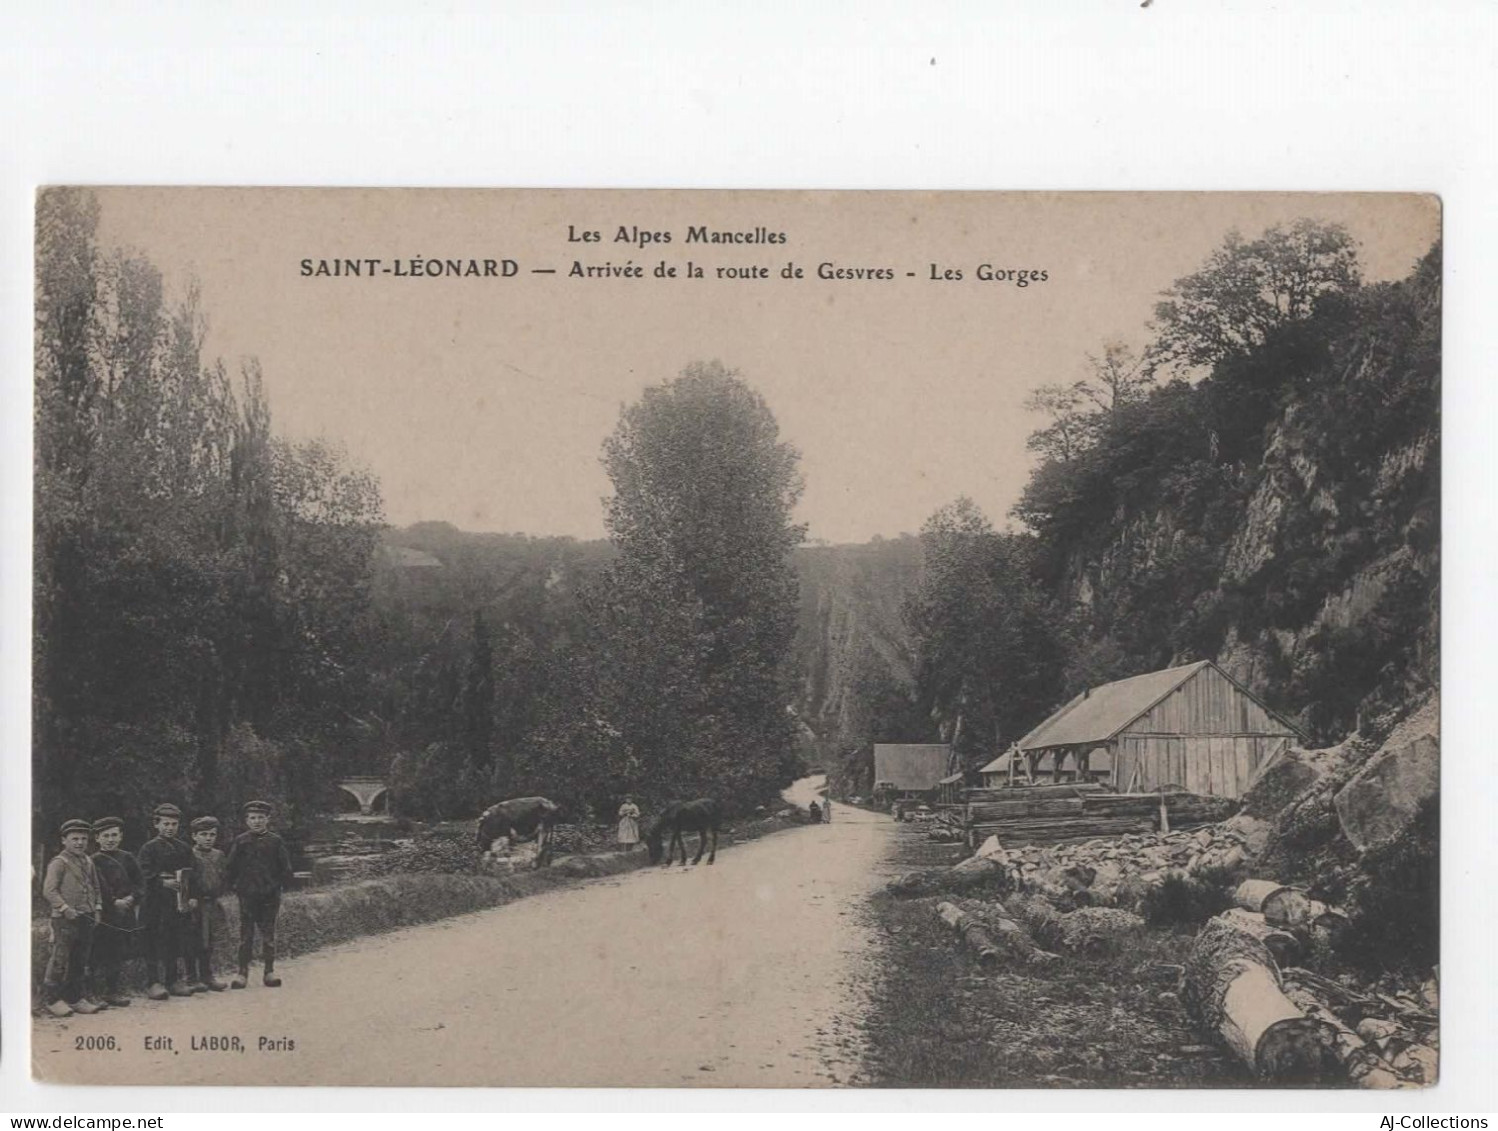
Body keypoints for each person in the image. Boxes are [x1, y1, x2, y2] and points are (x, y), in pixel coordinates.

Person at [225, 800, 295, 988]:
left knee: (268, 935)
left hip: (269, 896)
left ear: (268, 820)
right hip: (247, 895)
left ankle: (269, 971)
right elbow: (230, 868)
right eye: (253, 818)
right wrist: (237, 887)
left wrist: (276, 886)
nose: (257, 821)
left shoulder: (275, 841)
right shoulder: (241, 841)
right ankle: (242, 973)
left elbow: (285, 869)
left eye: (261, 818)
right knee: (245, 935)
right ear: (247, 820)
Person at [40, 819, 106, 1017]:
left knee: (80, 958)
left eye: (83, 839)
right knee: (60, 958)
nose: (79, 843)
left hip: (85, 916)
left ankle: (75, 997)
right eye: (74, 838)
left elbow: (95, 887)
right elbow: (49, 890)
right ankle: (51, 999)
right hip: (64, 919)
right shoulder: (59, 863)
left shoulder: (88, 861)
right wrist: (64, 907)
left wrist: (97, 908)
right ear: (64, 840)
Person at [136, 802, 195, 999]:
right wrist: (162, 883)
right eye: (166, 824)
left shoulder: (184, 848)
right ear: (156, 824)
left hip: (176, 904)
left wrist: (191, 897)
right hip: (154, 904)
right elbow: (143, 875)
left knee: (175, 941)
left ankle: (173, 980)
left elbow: (192, 875)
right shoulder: (148, 848)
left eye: (174, 824)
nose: (170, 828)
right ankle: (153, 982)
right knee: (152, 942)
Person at [90, 815, 143, 1007]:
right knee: (97, 953)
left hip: (124, 913)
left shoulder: (128, 858)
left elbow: (140, 882)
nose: (111, 839)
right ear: (97, 838)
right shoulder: (93, 861)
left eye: (114, 835)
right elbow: (97, 886)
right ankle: (94, 993)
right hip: (104, 914)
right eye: (106, 835)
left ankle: (113, 991)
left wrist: (131, 898)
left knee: (117, 952)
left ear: (121, 836)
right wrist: (113, 901)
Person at [186, 816, 230, 991]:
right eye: (203, 834)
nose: (208, 838)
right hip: (194, 904)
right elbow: (185, 880)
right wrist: (189, 897)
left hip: (212, 904)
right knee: (192, 940)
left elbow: (223, 877)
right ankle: (191, 977)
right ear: (194, 836)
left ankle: (207, 975)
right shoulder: (189, 855)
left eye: (212, 834)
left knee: (209, 940)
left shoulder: (219, 855)